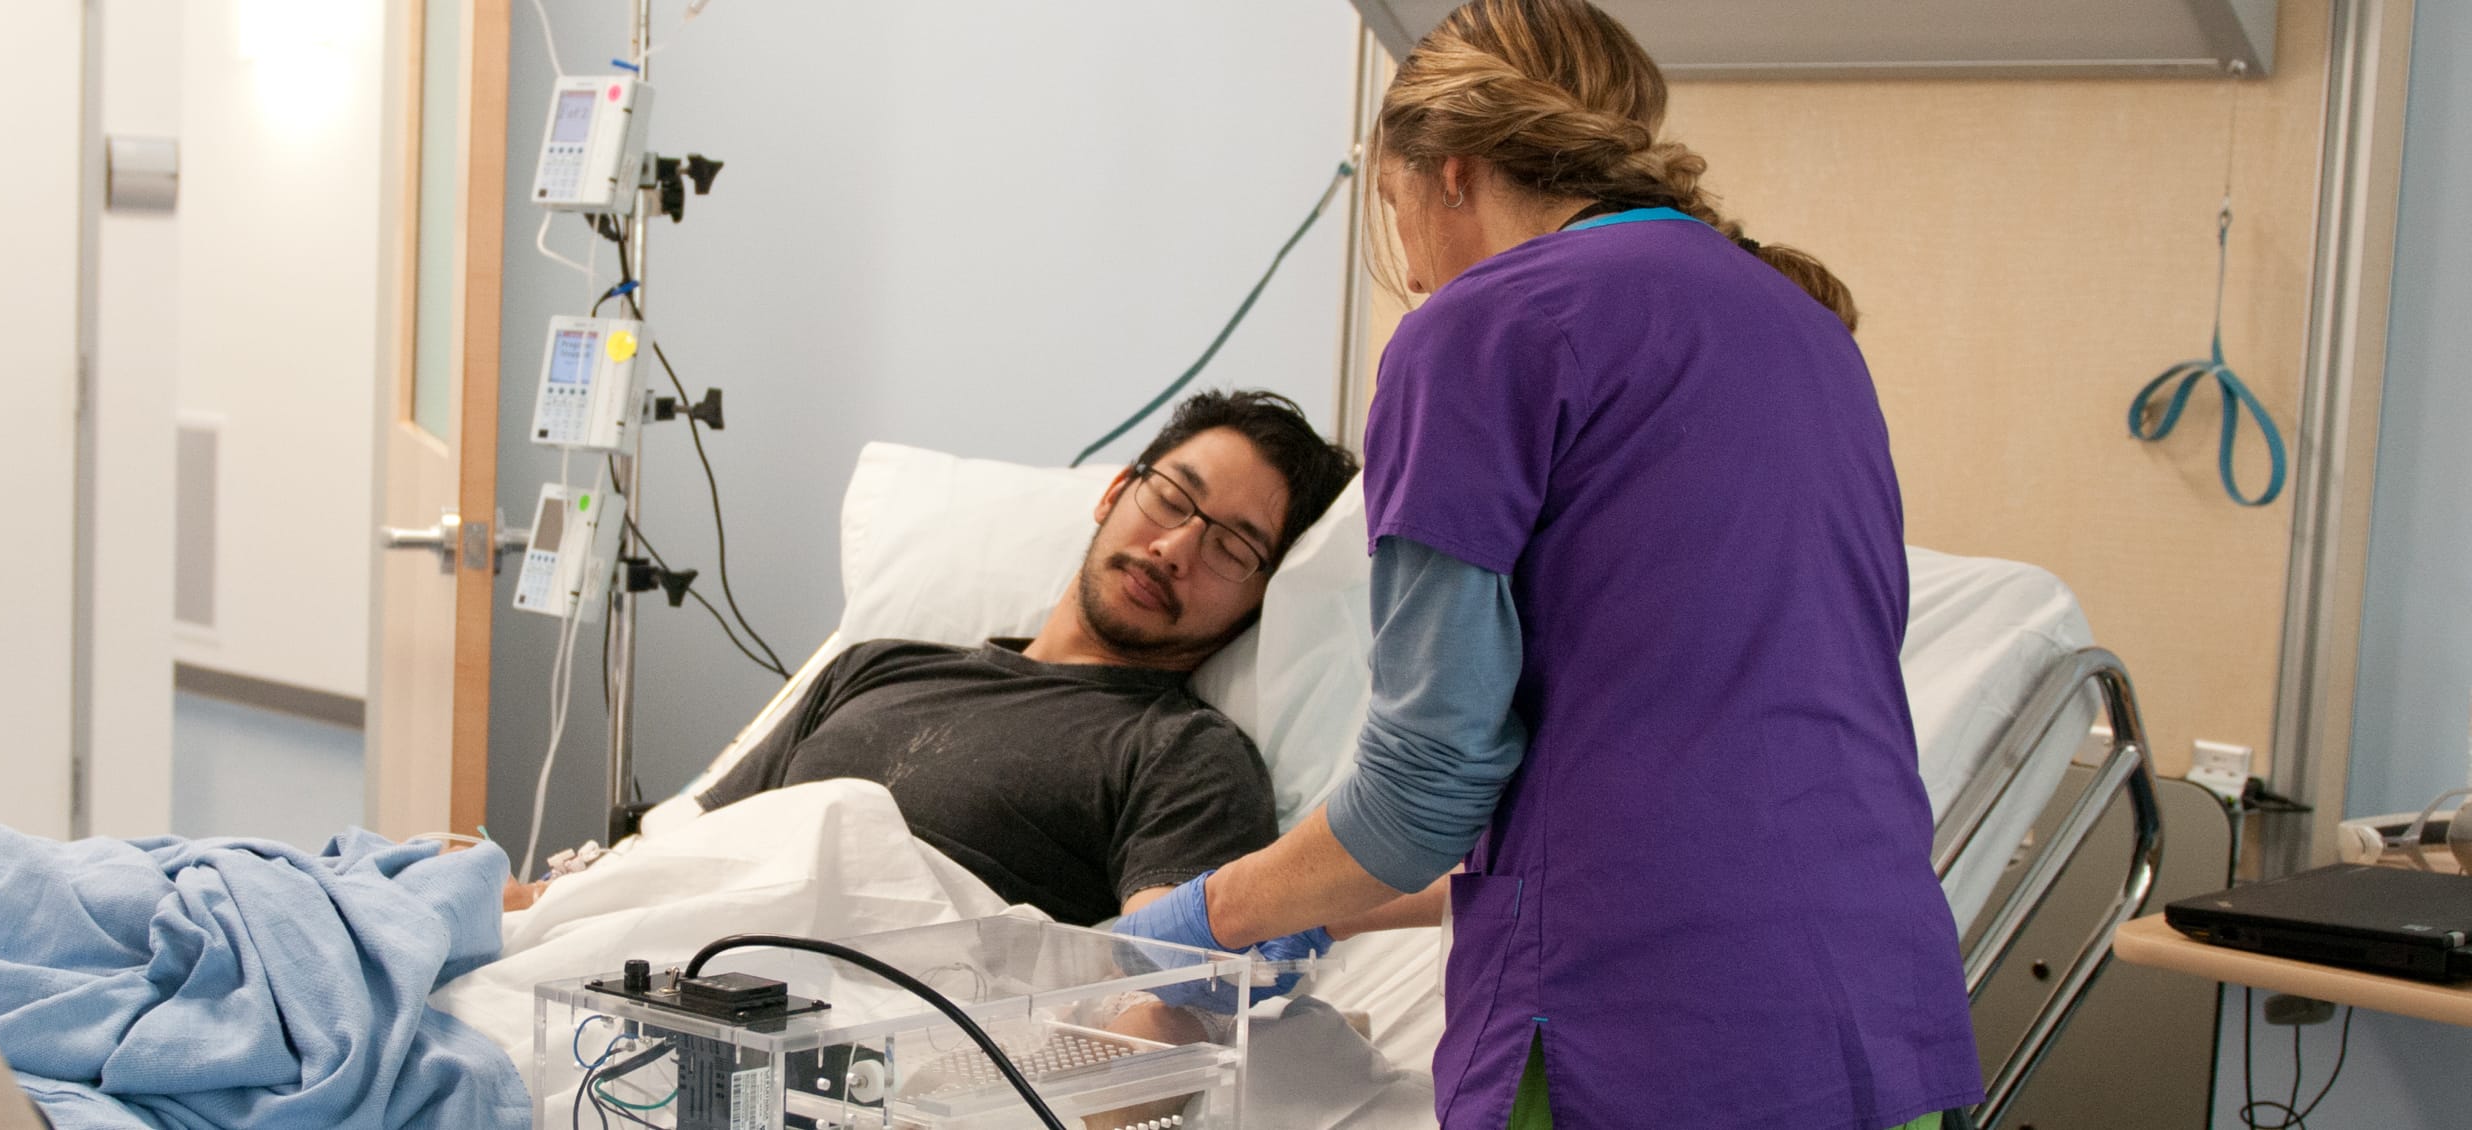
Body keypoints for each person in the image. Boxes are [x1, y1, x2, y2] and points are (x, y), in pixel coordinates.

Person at [1113, 3, 1982, 1128]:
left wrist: (1195, 919)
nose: (1415, 275)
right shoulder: (1803, 327)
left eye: (1394, 210)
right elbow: (1655, 773)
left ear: (1452, 174)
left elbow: (1422, 790)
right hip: (1872, 1010)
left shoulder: (1480, 329)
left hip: (1638, 1034)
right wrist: (1317, 906)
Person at [670, 389, 1358, 927]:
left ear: (1260, 601)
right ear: (1115, 492)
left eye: (1232, 550)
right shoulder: (873, 666)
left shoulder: (1185, 754)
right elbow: (692, 858)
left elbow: (1172, 990)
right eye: (1172, 498)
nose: (1176, 548)